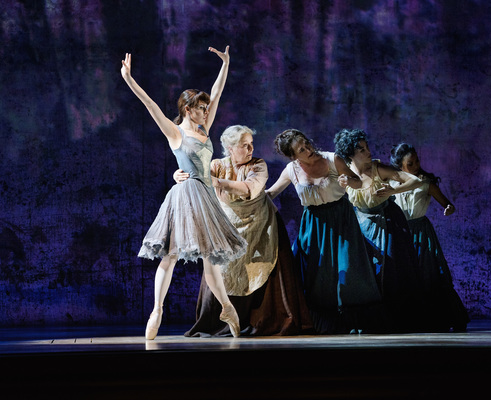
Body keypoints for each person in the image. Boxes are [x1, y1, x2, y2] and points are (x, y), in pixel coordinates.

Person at [120, 47, 247, 340]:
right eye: (201, 108)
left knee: (210, 258)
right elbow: (150, 105)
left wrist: (225, 64)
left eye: (206, 108)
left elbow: (217, 93)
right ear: (187, 109)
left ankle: (226, 307)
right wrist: (129, 79)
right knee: (171, 255)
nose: (206, 110)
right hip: (185, 195)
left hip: (206, 196)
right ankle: (157, 310)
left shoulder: (205, 129)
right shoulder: (176, 132)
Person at [173, 125, 313, 336]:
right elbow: (194, 176)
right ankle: (223, 320)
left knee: (263, 268)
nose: (250, 149)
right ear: (230, 148)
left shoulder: (258, 165)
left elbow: (251, 189)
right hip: (227, 226)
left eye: (251, 144)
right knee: (222, 271)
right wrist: (179, 175)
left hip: (262, 225)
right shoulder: (216, 165)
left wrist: (219, 182)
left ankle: (262, 319)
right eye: (244, 145)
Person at [266, 129, 386, 334]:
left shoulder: (332, 159)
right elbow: (271, 193)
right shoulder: (291, 170)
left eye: (306, 143)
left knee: (347, 271)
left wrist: (348, 182)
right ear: (293, 156)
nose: (308, 149)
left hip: (340, 219)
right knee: (317, 277)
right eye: (301, 149)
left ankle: (352, 321)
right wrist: (247, 199)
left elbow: (358, 181)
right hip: (313, 225)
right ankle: (319, 324)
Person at [334, 128, 427, 332]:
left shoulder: (378, 168)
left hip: (387, 221)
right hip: (361, 225)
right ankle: (368, 319)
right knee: (363, 271)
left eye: (367, 147)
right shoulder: (345, 172)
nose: (368, 152)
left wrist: (394, 189)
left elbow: (415, 180)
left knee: (390, 268)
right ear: (350, 154)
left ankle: (393, 318)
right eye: (361, 150)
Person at [390, 142, 470, 332]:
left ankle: (441, 317)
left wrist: (449, 209)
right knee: (405, 277)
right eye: (411, 163)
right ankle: (411, 320)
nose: (416, 165)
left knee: (429, 274)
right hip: (401, 233)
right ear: (400, 165)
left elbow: (447, 204)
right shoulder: (391, 183)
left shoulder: (425, 182)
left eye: (417, 161)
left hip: (420, 233)